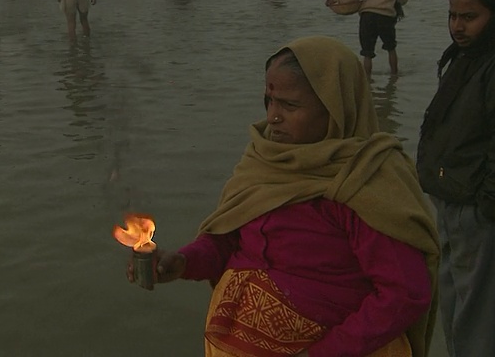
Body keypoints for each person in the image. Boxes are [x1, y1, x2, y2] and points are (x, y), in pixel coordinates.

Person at [126, 36, 441, 357]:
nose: (273, 116)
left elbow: (405, 293)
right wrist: (184, 262)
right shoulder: (262, 161)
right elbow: (229, 241)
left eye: (290, 105)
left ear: (335, 108)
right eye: (269, 101)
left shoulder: (367, 179)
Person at [415, 0, 495, 356]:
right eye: (453, 15)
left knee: (478, 322)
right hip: (456, 202)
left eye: (469, 17)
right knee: (455, 313)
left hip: (486, 214)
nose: (457, 25)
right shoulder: (470, 55)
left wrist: (491, 208)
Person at [357, 0, 408, 77]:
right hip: (386, 16)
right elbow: (403, 1)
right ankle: (394, 75)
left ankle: (367, 79)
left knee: (367, 53)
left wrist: (336, 0)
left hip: (368, 15)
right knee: (391, 48)